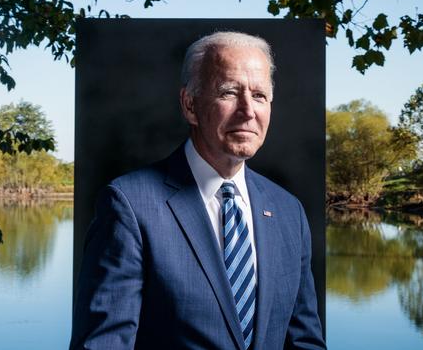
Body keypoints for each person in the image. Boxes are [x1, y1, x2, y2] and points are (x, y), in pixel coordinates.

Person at [70, 31, 326, 350]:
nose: (248, 110)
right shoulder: (129, 206)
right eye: (230, 92)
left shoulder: (289, 211)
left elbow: (305, 341)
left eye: (259, 95)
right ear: (190, 105)